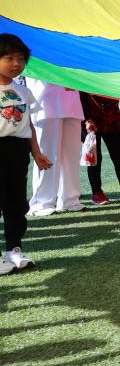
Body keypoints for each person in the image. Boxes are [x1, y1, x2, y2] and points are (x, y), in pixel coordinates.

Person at [0, 34, 52, 274]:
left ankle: (14, 249)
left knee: (16, 202)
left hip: (18, 150)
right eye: (9, 58)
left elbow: (28, 124)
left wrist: (37, 152)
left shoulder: (23, 91)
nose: (16, 63)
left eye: (20, 58)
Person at [25, 79, 85, 215]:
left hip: (72, 101)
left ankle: (69, 199)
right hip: (45, 102)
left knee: (71, 157)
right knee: (48, 155)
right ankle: (41, 203)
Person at [79, 92, 120, 205]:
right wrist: (86, 120)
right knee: (94, 158)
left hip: (112, 120)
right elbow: (81, 95)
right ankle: (96, 193)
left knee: (119, 156)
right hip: (90, 121)